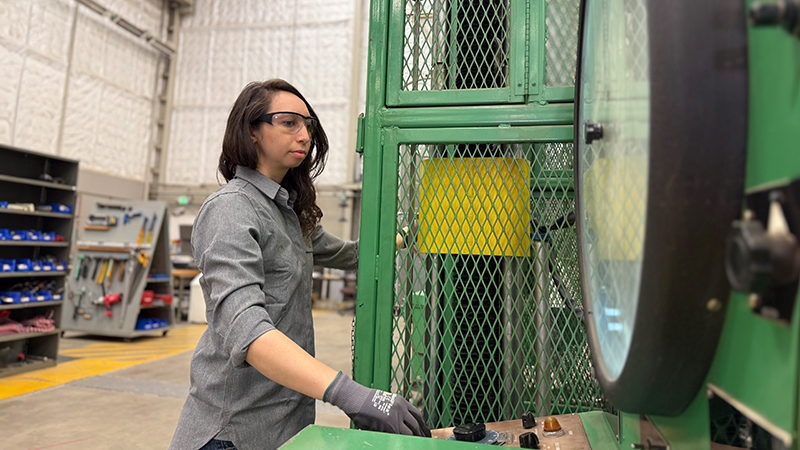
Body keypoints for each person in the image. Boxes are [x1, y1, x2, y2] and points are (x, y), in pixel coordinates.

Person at [169, 79, 430, 450]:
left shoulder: (289, 213)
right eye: (289, 122)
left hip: (286, 423)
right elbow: (248, 332)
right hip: (233, 431)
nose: (304, 135)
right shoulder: (230, 209)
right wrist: (350, 394)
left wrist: (418, 228)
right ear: (252, 131)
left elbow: (353, 255)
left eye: (308, 125)